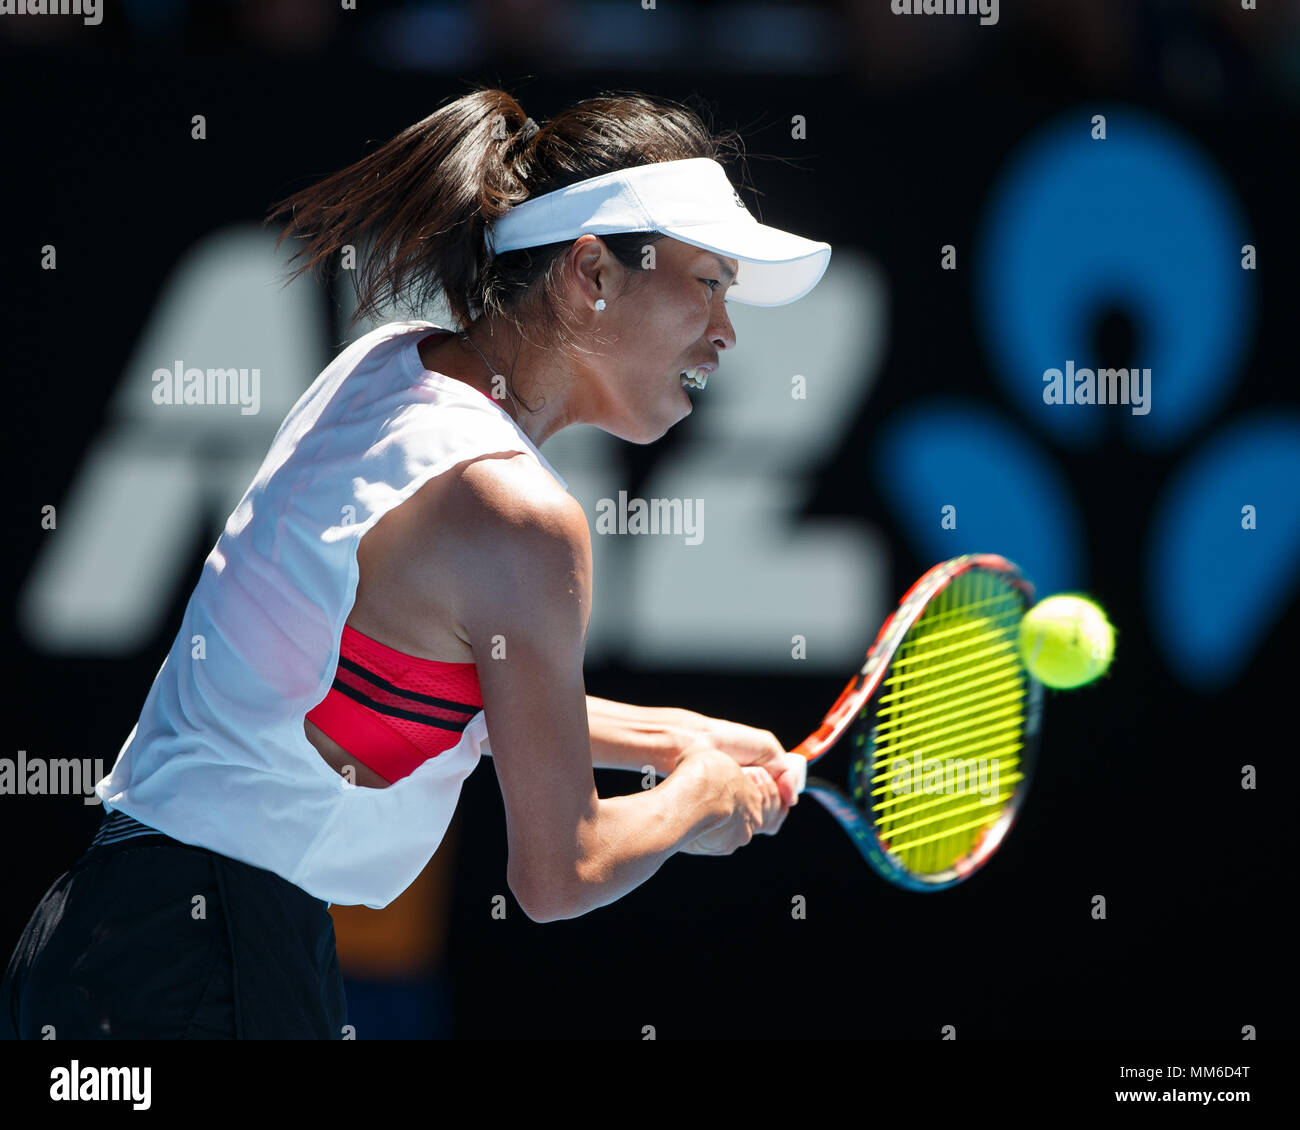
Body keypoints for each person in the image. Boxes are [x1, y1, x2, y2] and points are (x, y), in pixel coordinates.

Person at [0, 87, 831, 1040]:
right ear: (590, 271)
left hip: (95, 947)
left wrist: (678, 737)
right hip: (211, 972)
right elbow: (561, 870)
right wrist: (697, 800)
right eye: (710, 283)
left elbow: (421, 686)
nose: (727, 332)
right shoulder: (519, 517)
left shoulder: (387, 367)